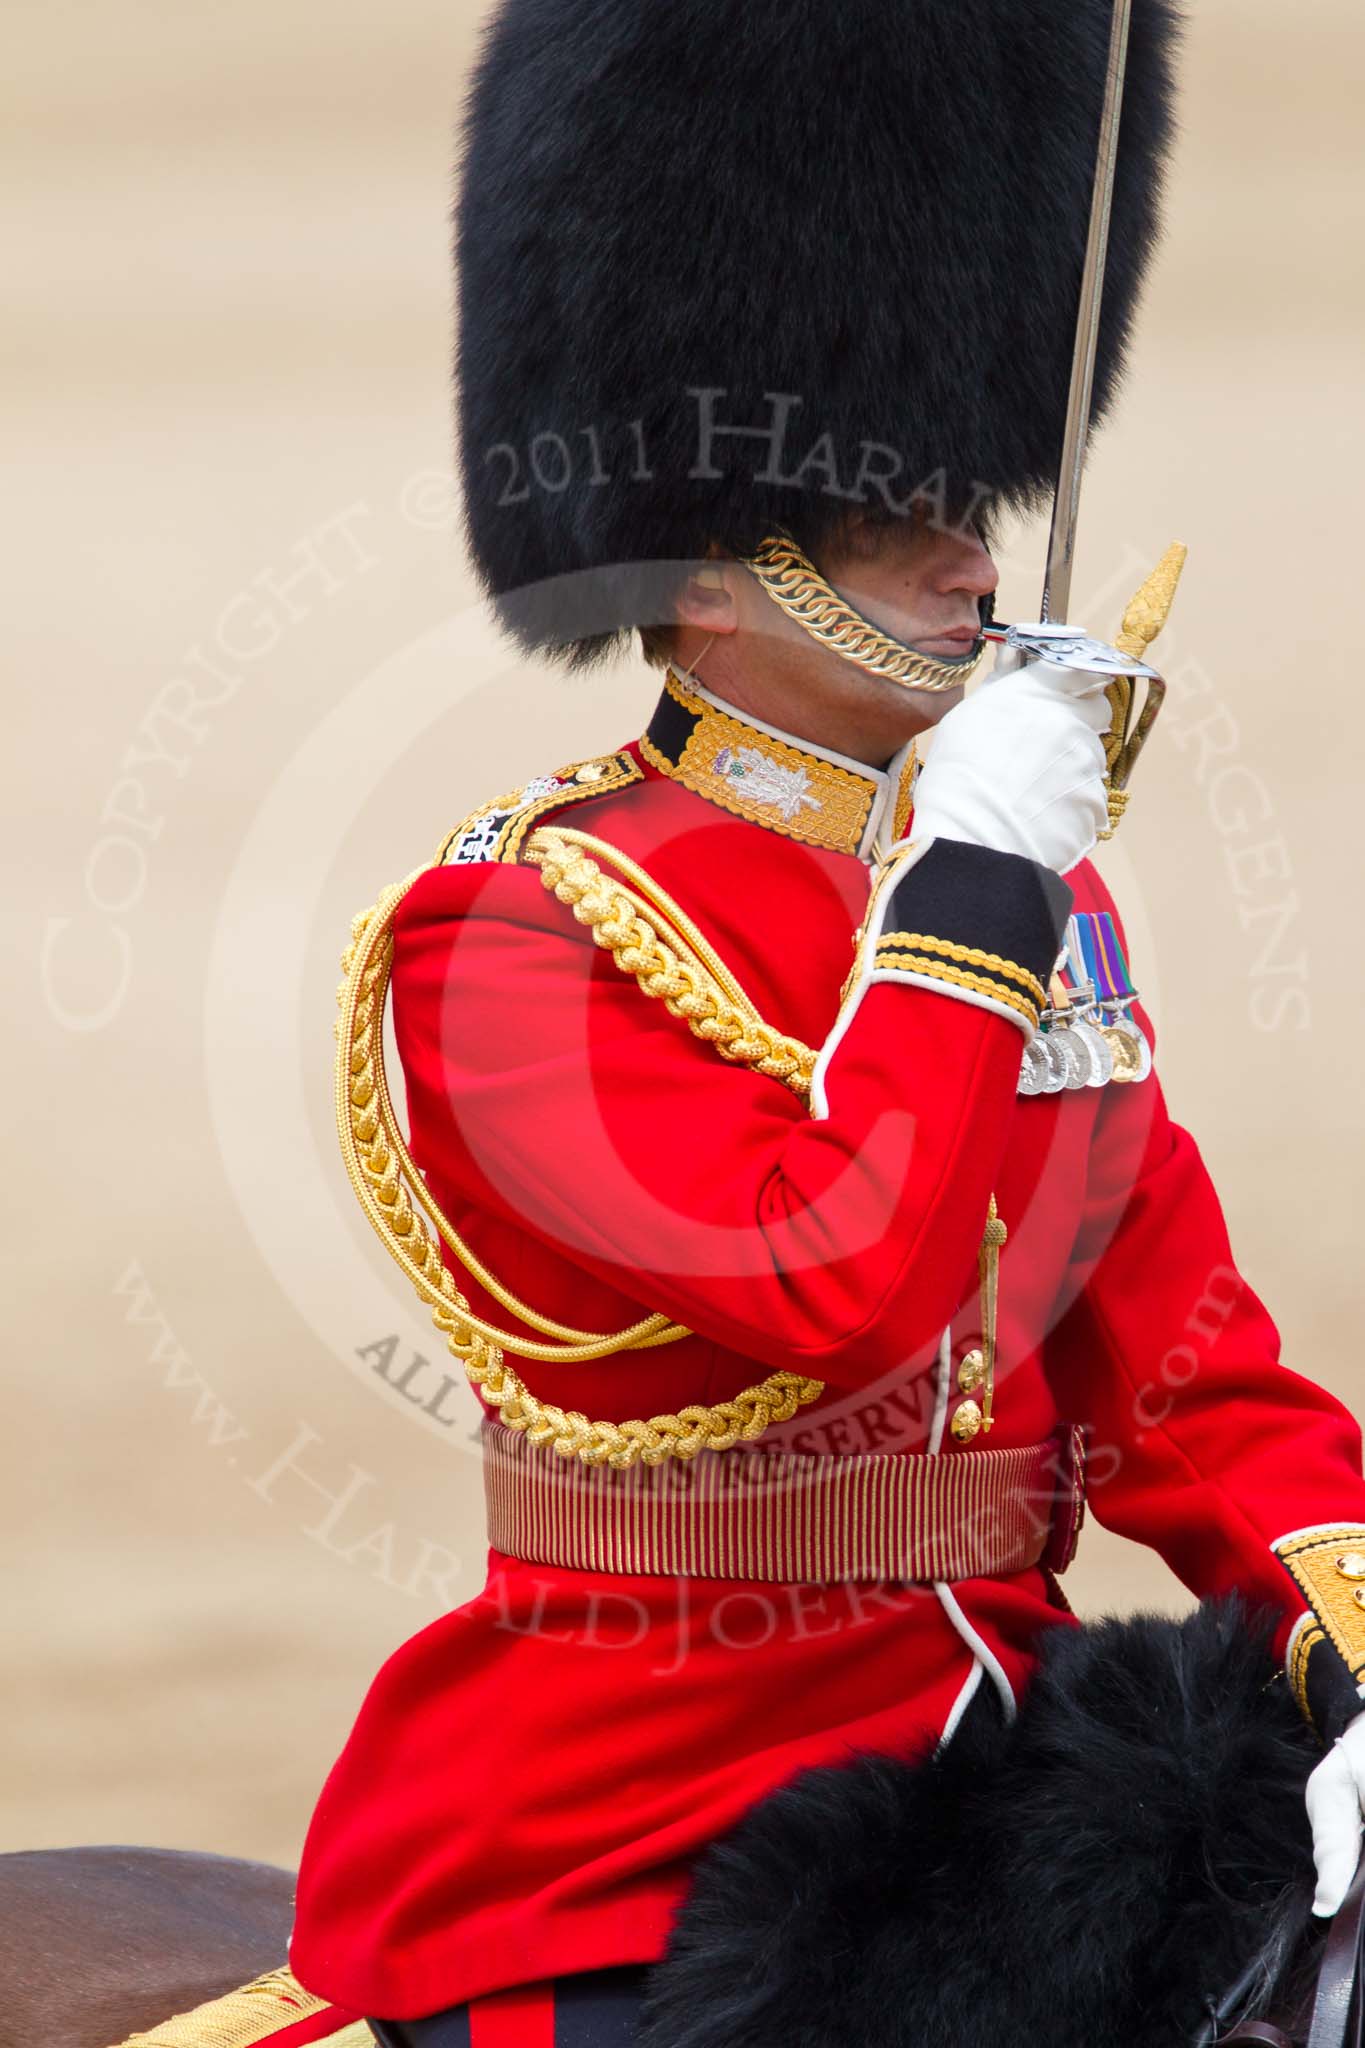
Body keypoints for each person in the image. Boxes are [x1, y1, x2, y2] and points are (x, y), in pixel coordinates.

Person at [287, 0, 1365, 2040]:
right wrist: (969, 886)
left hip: (999, 1767)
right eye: (892, 504)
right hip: (632, 1833)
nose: (968, 542)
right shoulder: (508, 933)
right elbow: (832, 1272)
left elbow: (1184, 1365)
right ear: (707, 563)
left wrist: (1351, 1624)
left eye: (965, 481)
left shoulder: (1018, 895)